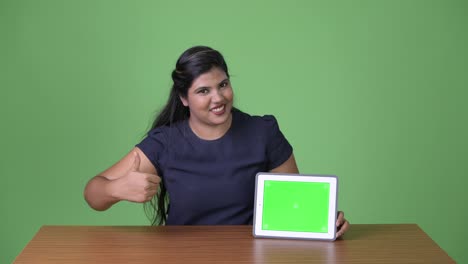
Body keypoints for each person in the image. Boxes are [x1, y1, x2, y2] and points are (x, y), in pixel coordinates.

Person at [84, 46, 349, 237]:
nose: (218, 98)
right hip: (180, 256)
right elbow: (93, 193)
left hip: (249, 256)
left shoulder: (263, 131)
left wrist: (323, 224)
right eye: (203, 91)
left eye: (223, 85)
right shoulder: (165, 142)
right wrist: (116, 188)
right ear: (184, 98)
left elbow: (295, 206)